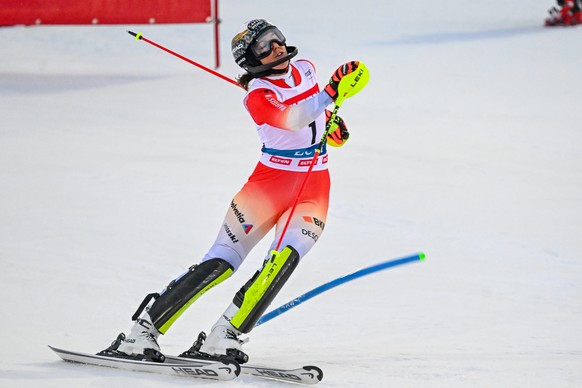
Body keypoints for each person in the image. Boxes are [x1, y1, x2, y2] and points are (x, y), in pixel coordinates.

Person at [99, 19, 362, 364]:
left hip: (314, 184)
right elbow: (291, 119)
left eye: (276, 38)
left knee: (282, 262)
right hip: (270, 184)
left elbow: (311, 111)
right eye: (264, 45)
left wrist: (330, 123)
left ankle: (226, 334)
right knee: (223, 262)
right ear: (251, 58)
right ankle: (142, 333)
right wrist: (331, 93)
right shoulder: (257, 96)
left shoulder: (305, 68)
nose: (277, 47)